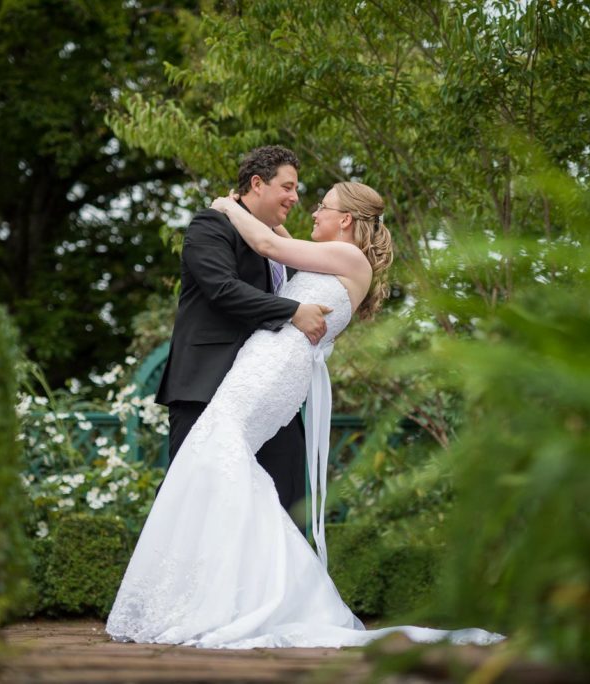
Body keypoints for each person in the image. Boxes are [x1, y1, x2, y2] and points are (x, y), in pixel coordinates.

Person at [106, 180, 503, 648]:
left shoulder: (351, 259)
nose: (314, 212)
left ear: (347, 221)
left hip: (274, 367)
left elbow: (269, 243)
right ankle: (230, 594)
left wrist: (226, 206)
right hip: (263, 361)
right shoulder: (335, 257)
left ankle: (248, 596)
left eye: (323, 207)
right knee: (218, 457)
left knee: (218, 450)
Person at [154, 145, 330, 521]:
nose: (295, 197)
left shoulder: (275, 244)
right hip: (206, 386)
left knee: (286, 504)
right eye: (287, 186)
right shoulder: (211, 225)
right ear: (257, 183)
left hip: (266, 394)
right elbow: (222, 289)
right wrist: (293, 311)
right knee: (194, 507)